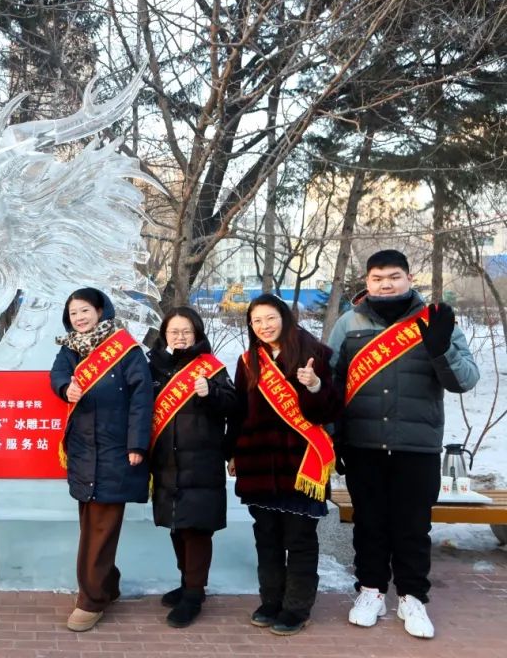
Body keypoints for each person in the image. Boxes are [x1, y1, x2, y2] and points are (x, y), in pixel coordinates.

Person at [328, 250, 478, 639]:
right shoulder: (348, 323)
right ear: (367, 281)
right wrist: (333, 437)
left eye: (394, 277)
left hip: (417, 445)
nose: (386, 285)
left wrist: (441, 348)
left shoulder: (435, 320)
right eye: (377, 278)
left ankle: (412, 596)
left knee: (413, 526)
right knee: (369, 523)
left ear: (409, 278)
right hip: (363, 444)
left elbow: (464, 380)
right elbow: (331, 383)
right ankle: (371, 591)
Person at [228, 294, 339, 636]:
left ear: (285, 317)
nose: (264, 326)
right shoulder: (249, 361)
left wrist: (314, 385)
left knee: (299, 538)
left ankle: (296, 608)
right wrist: (232, 452)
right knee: (267, 537)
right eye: (257, 321)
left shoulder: (315, 353)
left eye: (270, 318)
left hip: (300, 461)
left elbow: (328, 412)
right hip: (258, 459)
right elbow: (239, 412)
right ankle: (271, 601)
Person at [49, 287, 152, 633]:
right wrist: (65, 388)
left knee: (101, 526)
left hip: (116, 449)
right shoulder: (70, 348)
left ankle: (91, 600)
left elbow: (142, 399)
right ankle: (107, 584)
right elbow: (57, 375)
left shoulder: (126, 349)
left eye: (85, 310)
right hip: (83, 449)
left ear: (100, 311)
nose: (79, 317)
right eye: (73, 312)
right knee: (92, 525)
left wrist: (137, 445)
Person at [146, 306, 236, 628]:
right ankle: (187, 584)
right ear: (164, 335)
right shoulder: (154, 367)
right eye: (174, 332)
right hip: (166, 463)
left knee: (196, 529)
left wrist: (211, 393)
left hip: (201, 463)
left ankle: (195, 594)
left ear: (197, 334)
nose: (180, 337)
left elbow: (233, 406)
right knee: (176, 525)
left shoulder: (212, 367)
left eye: (186, 331)